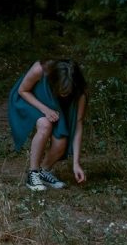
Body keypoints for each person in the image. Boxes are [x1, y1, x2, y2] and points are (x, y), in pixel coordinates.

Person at [8, 59, 88, 191]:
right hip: (30, 99)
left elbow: (78, 125)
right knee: (45, 125)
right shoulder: (40, 69)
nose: (64, 93)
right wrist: (45, 109)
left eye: (68, 90)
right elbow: (23, 91)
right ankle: (33, 174)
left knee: (61, 143)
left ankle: (43, 171)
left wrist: (76, 163)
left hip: (54, 106)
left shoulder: (80, 93)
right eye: (61, 88)